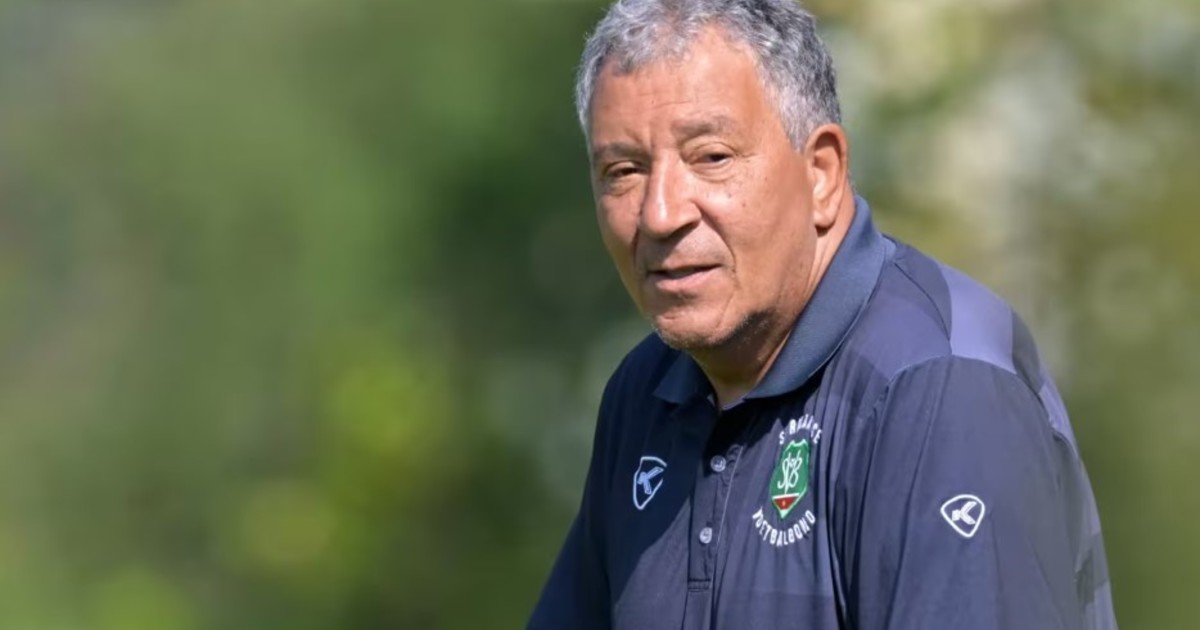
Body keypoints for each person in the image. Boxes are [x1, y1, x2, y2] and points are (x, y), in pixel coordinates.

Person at [528, 0, 1116, 628]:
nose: (660, 213)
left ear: (822, 173)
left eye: (711, 157)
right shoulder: (645, 392)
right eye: (624, 171)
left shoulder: (938, 387)